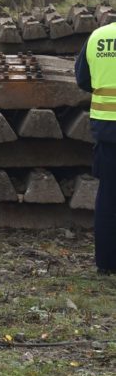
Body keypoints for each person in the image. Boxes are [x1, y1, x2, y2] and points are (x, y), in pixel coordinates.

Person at [75, 18, 116, 275]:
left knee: (109, 198)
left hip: (108, 131)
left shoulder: (97, 37)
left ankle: (107, 263)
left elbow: (82, 80)